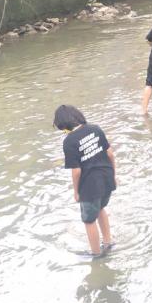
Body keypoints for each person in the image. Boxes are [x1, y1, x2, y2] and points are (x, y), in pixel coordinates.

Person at [54, 105, 116, 257]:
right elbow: (110, 154)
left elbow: (76, 171)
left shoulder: (69, 141)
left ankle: (96, 254)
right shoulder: (95, 129)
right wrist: (113, 175)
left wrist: (76, 192)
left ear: (63, 125)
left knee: (89, 220)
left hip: (90, 185)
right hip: (106, 178)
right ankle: (108, 242)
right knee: (101, 209)